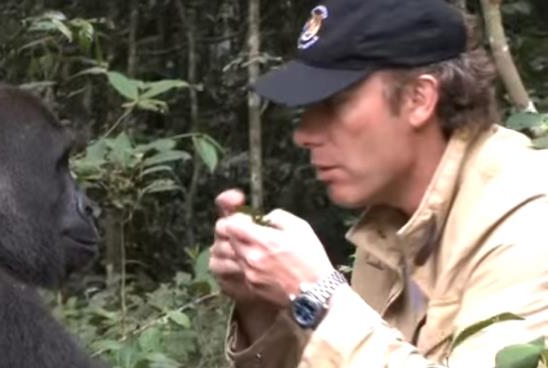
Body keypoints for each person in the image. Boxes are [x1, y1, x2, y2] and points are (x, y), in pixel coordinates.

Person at [208, 0, 548, 367]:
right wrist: (262, 308)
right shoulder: (392, 223)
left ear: (418, 99)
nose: (304, 134)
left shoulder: (529, 221)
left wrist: (321, 295)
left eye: (334, 104)